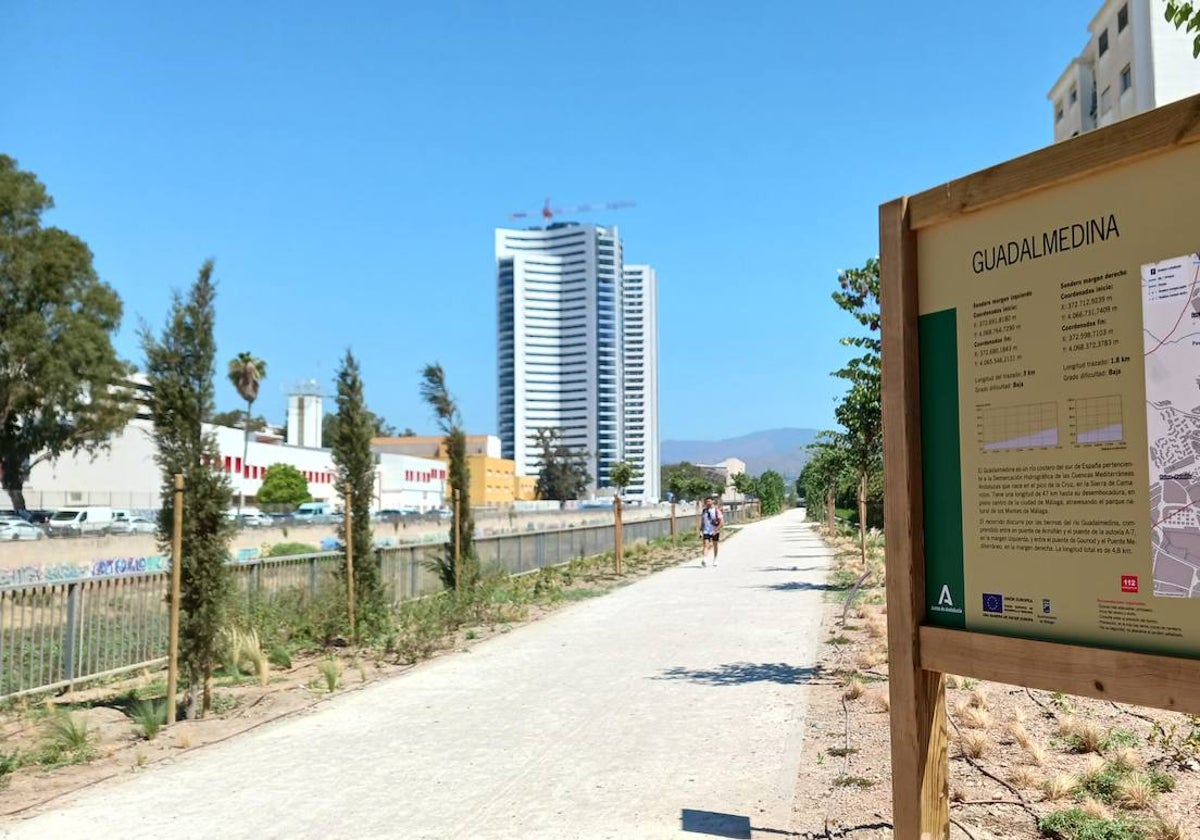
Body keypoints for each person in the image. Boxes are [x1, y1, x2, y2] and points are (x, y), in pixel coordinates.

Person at [700, 495, 723, 566]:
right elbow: (702, 521)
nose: (708, 503)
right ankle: (705, 559)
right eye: (706, 501)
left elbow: (721, 521)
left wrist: (717, 529)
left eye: (709, 501)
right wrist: (701, 530)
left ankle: (715, 559)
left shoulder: (717, 510)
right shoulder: (704, 511)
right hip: (706, 530)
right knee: (705, 544)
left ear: (713, 501)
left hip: (714, 530)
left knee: (715, 545)